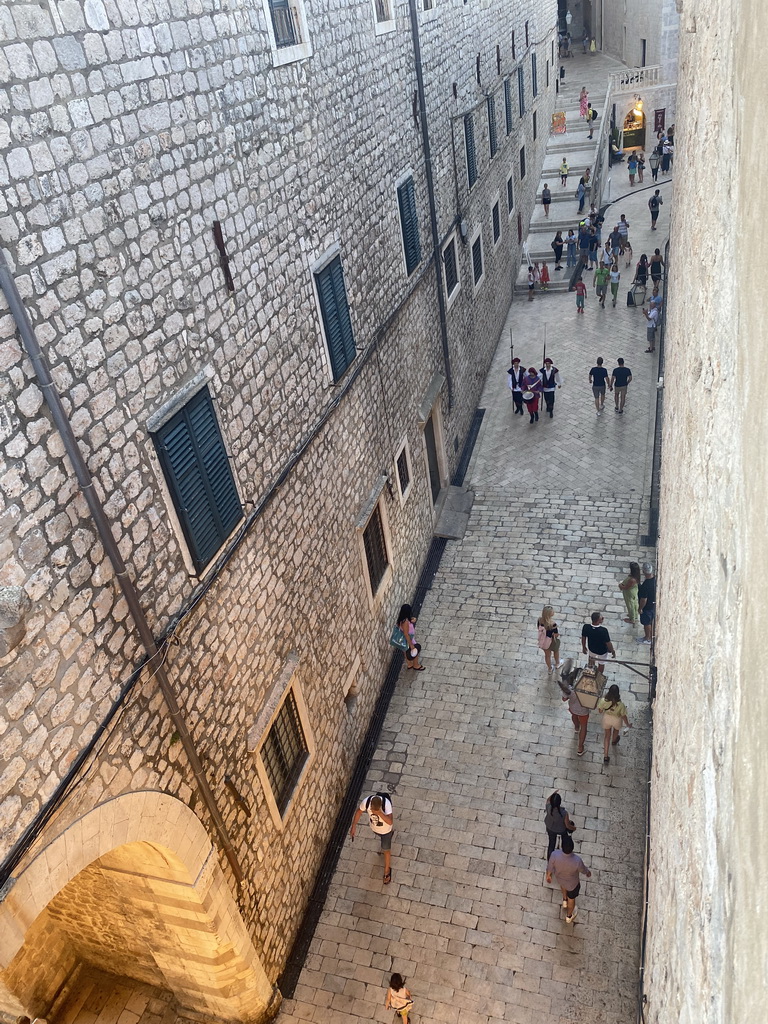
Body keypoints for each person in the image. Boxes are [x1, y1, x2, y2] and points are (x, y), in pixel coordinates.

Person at [547, 834, 591, 923]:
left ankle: (564, 900)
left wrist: (548, 875)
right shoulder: (577, 860)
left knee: (563, 887)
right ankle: (569, 916)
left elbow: (550, 867)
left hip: (560, 878)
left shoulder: (554, 854)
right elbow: (583, 869)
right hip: (572, 884)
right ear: (572, 848)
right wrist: (588, 872)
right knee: (572, 899)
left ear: (562, 847)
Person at [350, 793, 394, 883]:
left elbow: (390, 822)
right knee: (382, 840)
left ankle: (387, 870)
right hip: (375, 828)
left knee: (386, 850)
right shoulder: (366, 802)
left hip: (386, 831)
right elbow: (359, 811)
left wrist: (379, 813)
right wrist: (354, 825)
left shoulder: (387, 804)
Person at [597, 684, 631, 763]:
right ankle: (614, 740)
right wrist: (628, 724)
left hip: (607, 719)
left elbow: (600, 711)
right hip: (617, 719)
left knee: (607, 736)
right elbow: (623, 716)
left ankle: (605, 756)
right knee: (616, 730)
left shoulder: (603, 701)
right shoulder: (621, 705)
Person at [562, 676, 592, 756]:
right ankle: (580, 747)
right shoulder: (589, 691)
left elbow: (564, 699)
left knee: (574, 716)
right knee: (584, 726)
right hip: (583, 711)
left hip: (573, 708)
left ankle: (576, 728)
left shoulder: (571, 689)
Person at [544, 792, 575, 860]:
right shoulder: (564, 813)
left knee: (551, 844)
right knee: (565, 837)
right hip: (561, 829)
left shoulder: (549, 807)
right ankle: (564, 848)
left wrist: (553, 793)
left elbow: (548, 800)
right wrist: (574, 828)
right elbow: (567, 825)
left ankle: (549, 860)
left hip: (550, 828)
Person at [398, 604, 424, 671]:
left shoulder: (401, 619)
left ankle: (409, 664)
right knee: (415, 651)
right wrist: (411, 645)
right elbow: (406, 634)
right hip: (409, 639)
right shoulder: (405, 622)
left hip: (403, 640)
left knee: (406, 651)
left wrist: (411, 620)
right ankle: (416, 665)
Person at [537, 604, 561, 671]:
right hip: (551, 641)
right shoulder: (553, 624)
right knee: (556, 651)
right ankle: (557, 664)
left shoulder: (539, 620)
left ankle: (550, 669)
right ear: (550, 614)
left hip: (543, 642)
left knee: (547, 655)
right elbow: (556, 634)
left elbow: (538, 628)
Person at [636, 563, 656, 644]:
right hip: (653, 604)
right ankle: (650, 636)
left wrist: (640, 608)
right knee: (651, 621)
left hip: (647, 607)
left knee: (646, 623)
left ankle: (647, 638)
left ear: (644, 572)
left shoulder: (645, 585)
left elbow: (643, 600)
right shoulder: (655, 579)